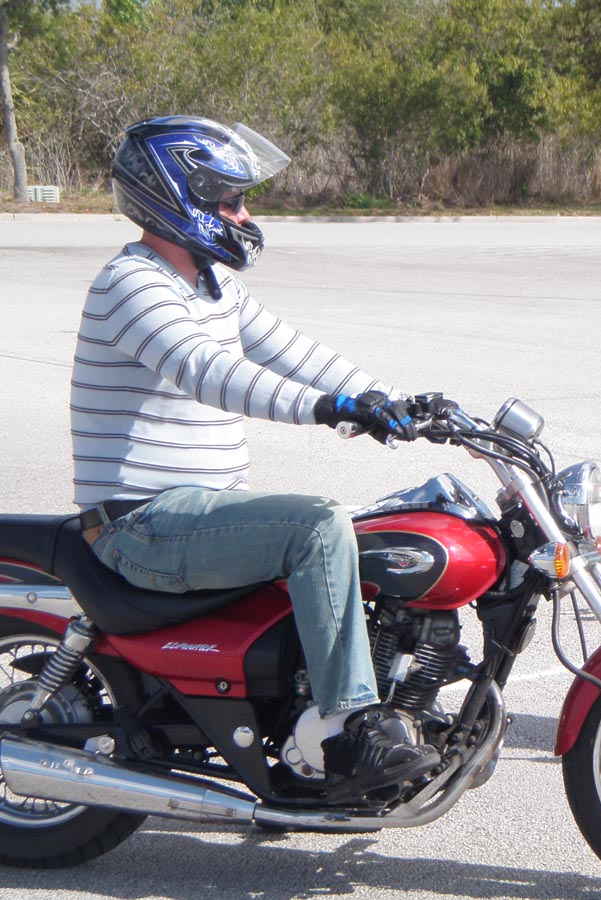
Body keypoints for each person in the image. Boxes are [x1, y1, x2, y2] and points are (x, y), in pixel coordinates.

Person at [72, 115, 439, 799]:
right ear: (179, 198)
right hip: (141, 523)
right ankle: (348, 730)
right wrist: (329, 408)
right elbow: (208, 370)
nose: (245, 216)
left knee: (379, 526)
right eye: (231, 201)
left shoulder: (210, 283)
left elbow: (295, 351)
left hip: (196, 513)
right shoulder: (132, 283)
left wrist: (393, 400)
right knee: (317, 526)